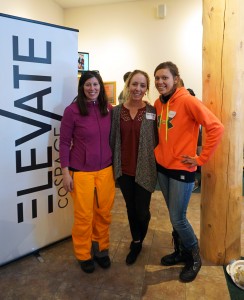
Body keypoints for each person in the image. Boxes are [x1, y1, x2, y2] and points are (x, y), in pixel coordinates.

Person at [153, 61, 224, 282]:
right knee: (173, 216)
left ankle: (194, 256)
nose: (160, 82)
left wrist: (200, 159)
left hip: (182, 169)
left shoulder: (188, 101)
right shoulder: (157, 103)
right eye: (157, 78)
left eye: (165, 77)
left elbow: (216, 127)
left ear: (176, 79)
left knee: (178, 217)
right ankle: (181, 251)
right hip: (163, 168)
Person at [59, 71, 115, 274]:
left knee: (103, 214)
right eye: (88, 85)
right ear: (82, 87)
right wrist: (65, 173)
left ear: (101, 87)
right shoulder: (72, 111)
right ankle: (83, 254)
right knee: (84, 216)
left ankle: (101, 249)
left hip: (105, 171)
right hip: (80, 172)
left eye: (96, 85)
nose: (92, 88)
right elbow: (64, 143)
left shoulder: (108, 109)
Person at [110, 70, 158, 265]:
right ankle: (136, 241)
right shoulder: (116, 112)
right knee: (131, 208)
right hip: (124, 170)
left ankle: (141, 233)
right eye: (134, 84)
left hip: (145, 169)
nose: (138, 89)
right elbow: (112, 140)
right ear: (128, 85)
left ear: (146, 89)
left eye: (142, 85)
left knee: (142, 211)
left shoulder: (152, 111)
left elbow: (158, 140)